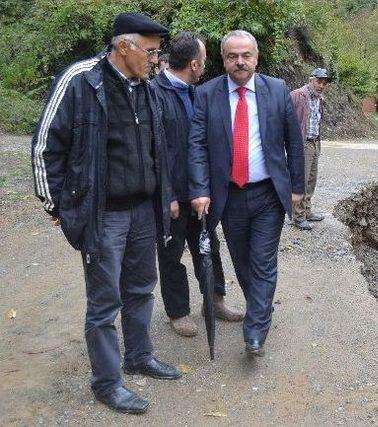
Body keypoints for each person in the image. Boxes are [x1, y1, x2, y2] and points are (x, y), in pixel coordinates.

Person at [31, 13, 181, 415]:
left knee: (140, 288)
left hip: (143, 212)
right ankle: (107, 382)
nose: (156, 58)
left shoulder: (147, 86)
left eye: (157, 51)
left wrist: (164, 194)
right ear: (123, 47)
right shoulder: (81, 80)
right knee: (104, 301)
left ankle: (139, 355)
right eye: (150, 50)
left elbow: (157, 147)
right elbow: (46, 144)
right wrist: (57, 205)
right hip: (104, 215)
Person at [188, 30, 304, 357]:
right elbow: (196, 146)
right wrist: (199, 189)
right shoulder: (207, 94)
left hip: (268, 194)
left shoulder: (278, 90)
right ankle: (261, 308)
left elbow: (293, 143)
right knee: (241, 261)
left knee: (262, 261)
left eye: (246, 55)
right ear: (223, 59)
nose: (240, 62)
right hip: (230, 196)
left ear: (256, 57)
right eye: (232, 56)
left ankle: (254, 332)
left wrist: (297, 187)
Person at [150, 32, 243, 338]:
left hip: (200, 192)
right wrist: (166, 195)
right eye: (203, 61)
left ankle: (214, 300)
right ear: (193, 64)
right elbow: (153, 152)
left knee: (209, 247)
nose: (205, 67)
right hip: (172, 196)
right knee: (171, 253)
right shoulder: (154, 94)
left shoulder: (198, 92)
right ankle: (178, 312)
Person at [289, 68, 331, 231]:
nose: (321, 85)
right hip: (302, 144)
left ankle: (307, 212)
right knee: (301, 180)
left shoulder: (319, 99)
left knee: (311, 180)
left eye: (324, 83)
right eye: (318, 81)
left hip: (314, 142)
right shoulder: (297, 95)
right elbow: (285, 118)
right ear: (311, 79)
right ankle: (298, 217)